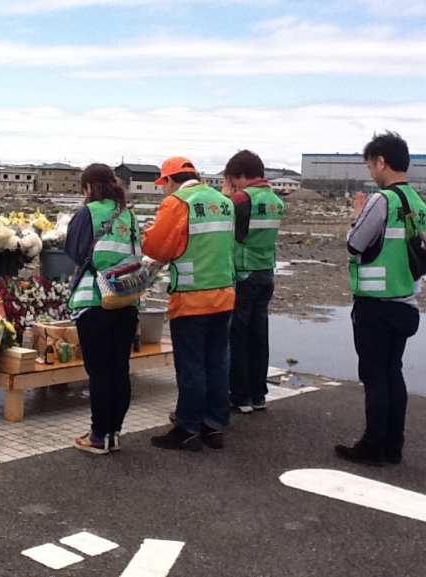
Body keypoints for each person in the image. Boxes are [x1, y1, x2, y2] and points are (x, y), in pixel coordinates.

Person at [335, 132, 426, 465]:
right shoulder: (417, 203)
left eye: (370, 165)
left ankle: (373, 444)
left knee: (374, 375)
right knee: (393, 371)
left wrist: (357, 213)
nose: (371, 173)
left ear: (381, 162)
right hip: (406, 303)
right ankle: (394, 445)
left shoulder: (382, 200)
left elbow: (355, 244)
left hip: (375, 305)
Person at [143, 157, 235, 451]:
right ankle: (214, 425)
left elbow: (159, 249)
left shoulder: (177, 203)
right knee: (217, 362)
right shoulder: (223, 202)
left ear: (170, 180)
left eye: (163, 185)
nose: (163, 191)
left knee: (192, 365)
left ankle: (188, 427)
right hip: (224, 295)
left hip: (191, 297)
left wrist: (148, 232)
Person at [65, 163, 141, 455]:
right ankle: (113, 433)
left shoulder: (89, 212)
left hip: (95, 301)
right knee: (119, 369)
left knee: (98, 372)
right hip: (127, 300)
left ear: (87, 188)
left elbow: (73, 250)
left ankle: (98, 436)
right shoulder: (130, 215)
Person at [222, 150, 284, 414]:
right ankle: (259, 395)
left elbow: (222, 220)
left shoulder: (241, 198)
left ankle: (240, 396)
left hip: (243, 272)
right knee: (259, 335)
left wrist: (225, 195)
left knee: (237, 334)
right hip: (266, 271)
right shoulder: (275, 200)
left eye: (235, 181)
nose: (234, 186)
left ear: (244, 176)